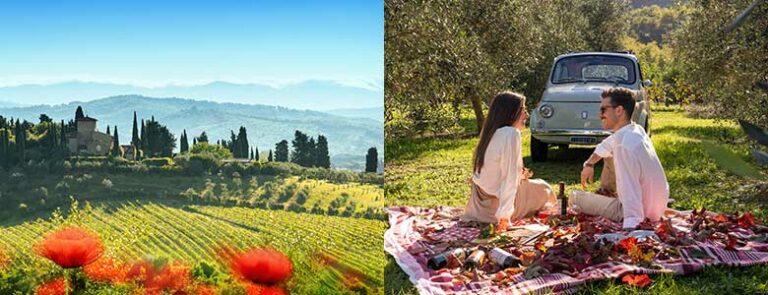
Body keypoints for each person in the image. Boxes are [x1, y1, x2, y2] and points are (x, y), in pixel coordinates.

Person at [574, 87, 669, 229]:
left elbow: (631, 194)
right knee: (608, 155)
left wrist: (632, 229)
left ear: (619, 110)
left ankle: (609, 203)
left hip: (640, 213)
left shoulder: (623, 146)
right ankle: (607, 197)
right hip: (656, 207)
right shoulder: (635, 130)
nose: (600, 115)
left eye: (603, 110)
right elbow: (605, 146)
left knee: (575, 198)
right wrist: (589, 164)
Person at [462, 91, 557, 232]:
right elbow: (509, 178)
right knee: (545, 188)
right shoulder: (510, 133)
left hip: (478, 207)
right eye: (523, 109)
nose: (526, 115)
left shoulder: (489, 132)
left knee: (534, 185)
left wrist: (521, 175)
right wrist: (504, 216)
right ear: (511, 112)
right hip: (496, 209)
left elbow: (494, 173)